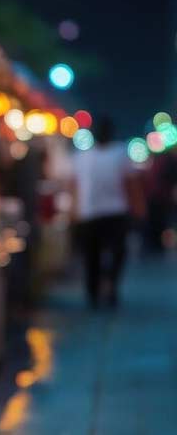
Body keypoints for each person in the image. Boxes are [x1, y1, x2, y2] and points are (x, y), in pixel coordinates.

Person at [70, 117, 140, 308]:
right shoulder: (114, 154)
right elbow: (74, 186)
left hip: (104, 212)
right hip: (99, 213)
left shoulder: (114, 154)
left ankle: (102, 289)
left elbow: (131, 184)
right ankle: (99, 291)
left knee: (105, 254)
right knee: (100, 255)